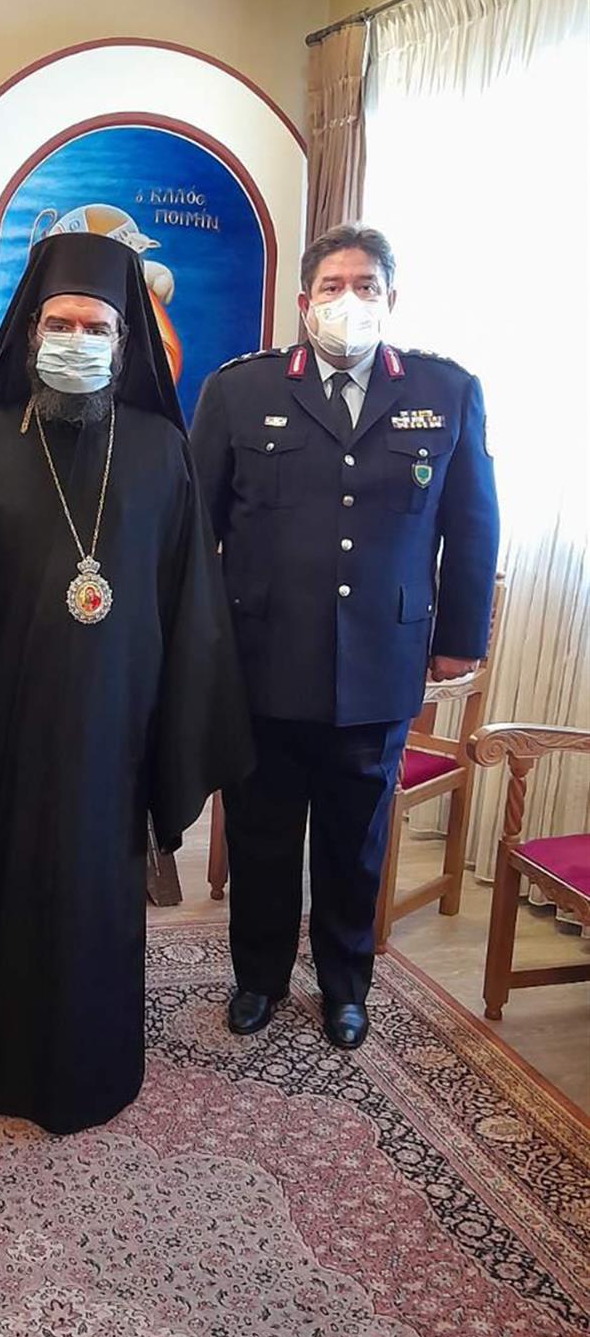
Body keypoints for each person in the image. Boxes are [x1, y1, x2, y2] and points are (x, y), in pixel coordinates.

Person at [0, 230, 250, 1134]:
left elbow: (190, 600)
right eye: (60, 324)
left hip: (118, 726)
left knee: (97, 898)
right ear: (31, 333)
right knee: (3, 884)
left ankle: (95, 1064)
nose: (77, 339)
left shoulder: (161, 449)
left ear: (124, 340)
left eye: (96, 326)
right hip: (4, 724)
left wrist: (178, 723)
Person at [190, 222, 499, 1050]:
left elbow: (473, 524)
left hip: (379, 662)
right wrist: (199, 646)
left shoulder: (446, 390)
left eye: (366, 285)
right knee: (261, 831)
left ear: (391, 299)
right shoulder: (240, 391)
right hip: (261, 659)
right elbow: (195, 528)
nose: (349, 299)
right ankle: (258, 977)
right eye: (332, 286)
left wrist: (460, 636)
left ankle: (344, 986)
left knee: (354, 841)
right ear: (304, 302)